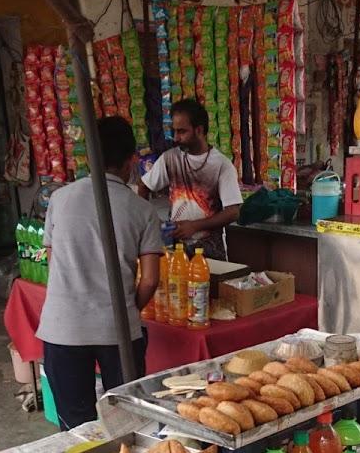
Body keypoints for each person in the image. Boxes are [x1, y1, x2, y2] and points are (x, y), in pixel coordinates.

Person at [38, 116, 161, 431]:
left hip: (63, 326)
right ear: (130, 160)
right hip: (117, 328)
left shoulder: (59, 199)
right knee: (126, 422)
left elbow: (54, 262)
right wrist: (129, 307)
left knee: (75, 429)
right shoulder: (142, 210)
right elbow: (149, 279)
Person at [139, 99, 242, 260]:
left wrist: (195, 226)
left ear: (199, 130)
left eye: (182, 132)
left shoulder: (222, 165)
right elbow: (144, 186)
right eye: (174, 131)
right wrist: (152, 222)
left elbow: (232, 212)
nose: (175, 138)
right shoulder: (170, 159)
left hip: (210, 251)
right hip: (176, 250)